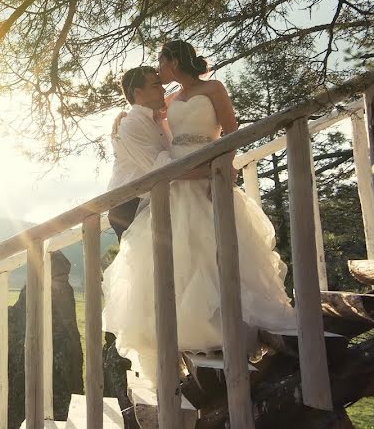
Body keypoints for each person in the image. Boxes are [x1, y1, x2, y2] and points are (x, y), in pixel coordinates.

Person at [101, 40, 296, 391]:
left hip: (204, 172)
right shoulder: (167, 103)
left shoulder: (213, 88)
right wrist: (123, 120)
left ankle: (226, 325)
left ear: (174, 60)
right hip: (179, 180)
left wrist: (222, 164)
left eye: (160, 64)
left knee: (217, 247)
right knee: (182, 253)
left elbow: (233, 131)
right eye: (154, 77)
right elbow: (154, 135)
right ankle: (187, 336)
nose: (159, 75)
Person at [106, 66, 172, 241]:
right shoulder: (130, 124)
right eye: (156, 86)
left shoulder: (153, 119)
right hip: (129, 206)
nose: (163, 89)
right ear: (138, 93)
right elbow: (159, 168)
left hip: (150, 200)